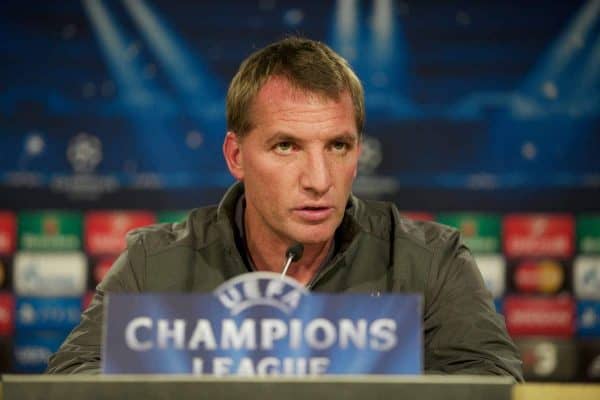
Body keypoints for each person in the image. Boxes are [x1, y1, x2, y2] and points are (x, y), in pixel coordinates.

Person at [46, 36, 523, 381]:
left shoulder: (430, 260)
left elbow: (491, 382)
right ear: (236, 156)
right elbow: (70, 379)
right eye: (286, 147)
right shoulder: (154, 263)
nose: (319, 180)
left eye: (337, 145)